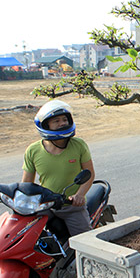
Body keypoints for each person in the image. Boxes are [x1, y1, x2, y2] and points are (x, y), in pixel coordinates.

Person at [22, 100, 95, 237]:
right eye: (56, 121)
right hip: (45, 205)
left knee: (85, 243)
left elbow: (89, 174)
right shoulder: (33, 150)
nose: (62, 123)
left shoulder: (78, 145)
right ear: (45, 125)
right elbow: (26, 184)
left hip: (72, 206)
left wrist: (79, 195)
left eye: (64, 119)